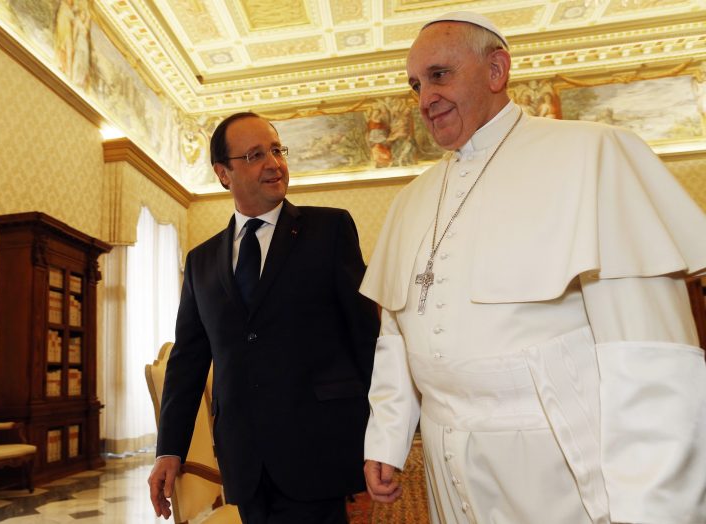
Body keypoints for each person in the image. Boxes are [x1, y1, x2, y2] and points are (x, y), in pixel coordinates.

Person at [361, 11, 706, 524]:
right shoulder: (412, 199)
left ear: (497, 70)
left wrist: (658, 509)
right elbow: (397, 335)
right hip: (445, 457)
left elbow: (649, 361)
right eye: (415, 84)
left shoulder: (592, 153)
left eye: (439, 75)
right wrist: (387, 437)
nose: (424, 99)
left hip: (558, 463)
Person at [148, 112, 379, 524]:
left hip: (318, 450)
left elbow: (366, 339)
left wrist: (382, 438)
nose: (274, 163)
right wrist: (170, 449)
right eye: (255, 154)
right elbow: (188, 362)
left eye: (276, 150)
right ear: (224, 173)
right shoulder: (201, 262)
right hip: (244, 460)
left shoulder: (330, 231)